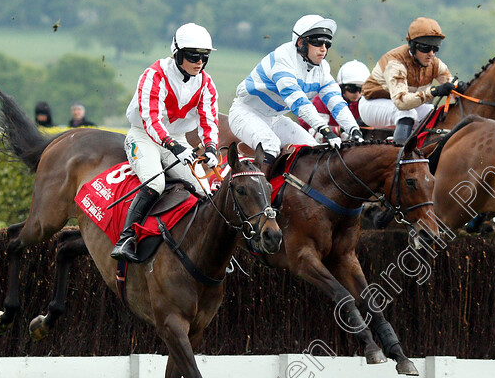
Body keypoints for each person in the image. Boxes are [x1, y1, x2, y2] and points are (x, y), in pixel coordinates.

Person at [111, 22, 220, 263]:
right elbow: (150, 120)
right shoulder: (154, 74)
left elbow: (209, 120)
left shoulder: (206, 83)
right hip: (144, 136)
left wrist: (211, 147)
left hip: (176, 140)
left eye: (204, 57)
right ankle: (126, 238)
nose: (199, 62)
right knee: (156, 183)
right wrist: (173, 146)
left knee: (205, 189)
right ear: (178, 54)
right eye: (193, 56)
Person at [229, 14, 362, 176]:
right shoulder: (283, 58)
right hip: (245, 112)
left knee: (312, 148)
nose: (323, 49)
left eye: (327, 44)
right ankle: (259, 198)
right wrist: (325, 130)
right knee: (270, 145)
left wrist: (354, 129)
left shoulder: (323, 68)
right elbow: (298, 102)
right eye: (317, 43)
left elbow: (336, 102)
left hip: (275, 118)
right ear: (301, 42)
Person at [359, 17, 459, 144]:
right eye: (426, 48)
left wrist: (459, 89)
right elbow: (402, 102)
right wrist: (432, 92)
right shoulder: (396, 62)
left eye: (435, 48)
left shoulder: (435, 64)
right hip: (371, 105)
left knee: (434, 113)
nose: (431, 54)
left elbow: (452, 86)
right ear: (413, 46)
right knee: (407, 113)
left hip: (400, 105)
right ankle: (400, 156)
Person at [298, 59, 370, 138]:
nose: (357, 94)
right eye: (352, 89)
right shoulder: (321, 100)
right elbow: (317, 136)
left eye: (361, 89)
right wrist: (341, 130)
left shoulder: (363, 103)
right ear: (341, 87)